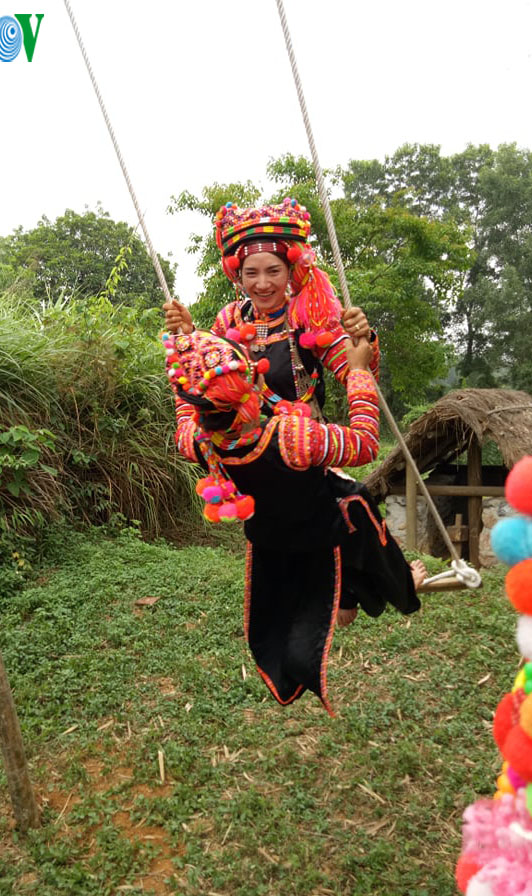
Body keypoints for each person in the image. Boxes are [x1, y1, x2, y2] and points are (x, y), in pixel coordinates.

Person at [162, 327, 424, 715]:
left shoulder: (197, 443)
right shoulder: (294, 438)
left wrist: (185, 344)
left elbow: (186, 406)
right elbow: (366, 442)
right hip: (320, 533)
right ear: (251, 395)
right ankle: (403, 584)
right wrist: (357, 372)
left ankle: (346, 602)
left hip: (271, 542)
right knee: (356, 505)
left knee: (332, 528)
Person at [164, 197, 379, 420]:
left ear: (290, 271)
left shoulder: (308, 316)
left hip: (303, 442)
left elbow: (357, 370)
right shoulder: (230, 319)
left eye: (274, 271)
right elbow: (205, 377)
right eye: (251, 273)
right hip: (244, 445)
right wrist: (188, 334)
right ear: (238, 276)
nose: (263, 284)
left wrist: (362, 336)